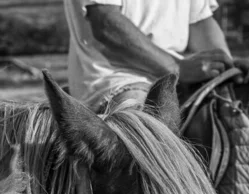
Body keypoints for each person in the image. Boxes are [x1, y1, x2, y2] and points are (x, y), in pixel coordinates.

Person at [64, 0, 236, 112]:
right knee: (141, 135)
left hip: (177, 74)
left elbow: (199, 21)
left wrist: (227, 65)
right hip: (115, 82)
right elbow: (106, 22)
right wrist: (178, 69)